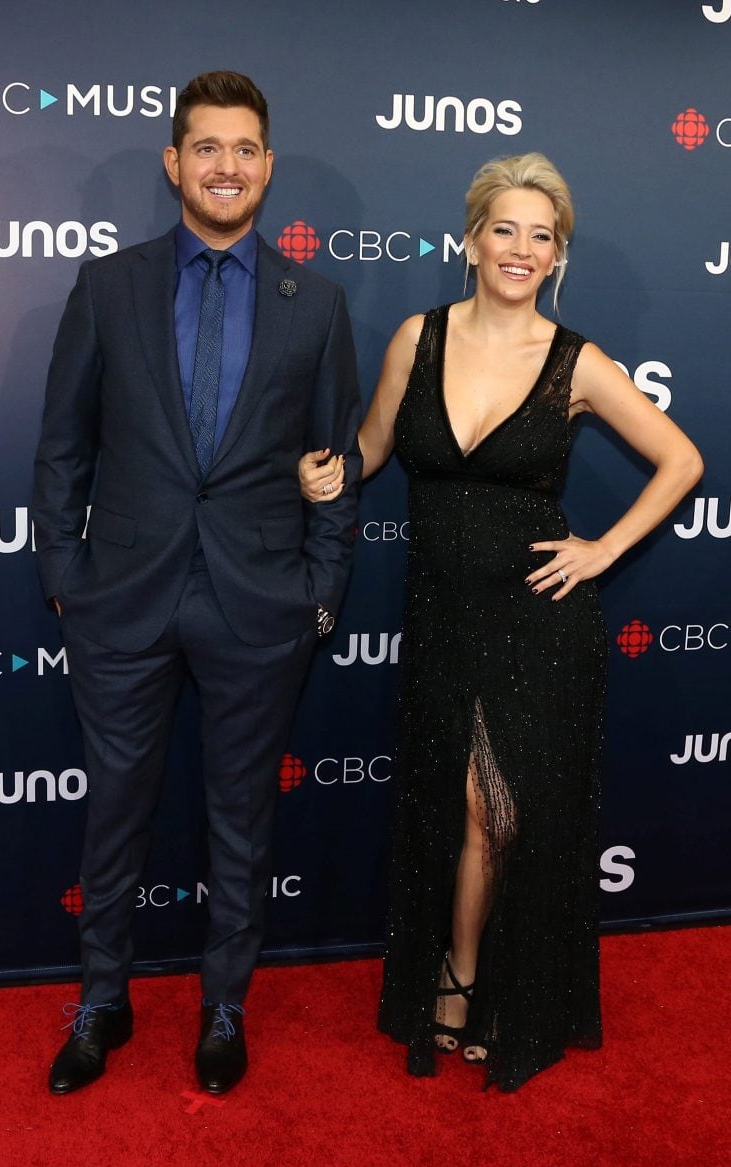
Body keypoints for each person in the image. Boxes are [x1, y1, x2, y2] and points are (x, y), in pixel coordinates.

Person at [299, 153, 702, 1091]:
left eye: (541, 236)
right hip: (441, 615)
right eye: (506, 230)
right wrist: (328, 474)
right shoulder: (418, 338)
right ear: (472, 240)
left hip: (539, 626)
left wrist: (600, 549)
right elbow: (369, 450)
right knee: (455, 807)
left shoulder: (577, 362)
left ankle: (471, 976)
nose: (521, 249)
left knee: (497, 811)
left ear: (557, 256)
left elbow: (681, 461)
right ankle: (463, 970)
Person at [32, 70, 361, 1097]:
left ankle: (225, 1004)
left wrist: (320, 593)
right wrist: (66, 578)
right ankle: (102, 1001)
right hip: (122, 600)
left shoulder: (318, 304)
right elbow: (61, 451)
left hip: (259, 605)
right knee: (115, 811)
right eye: (207, 147)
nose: (227, 166)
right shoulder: (108, 287)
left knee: (240, 821)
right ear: (176, 163)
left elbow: (336, 464)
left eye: (246, 150)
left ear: (268, 169)